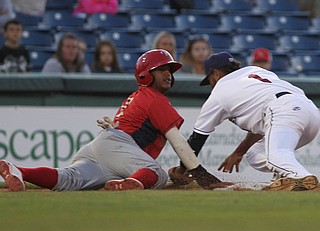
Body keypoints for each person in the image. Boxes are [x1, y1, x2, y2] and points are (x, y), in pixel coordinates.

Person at [0, 49, 220, 192]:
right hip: (119, 146)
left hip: (104, 148)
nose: (168, 73)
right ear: (145, 74)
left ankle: (19, 170)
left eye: (170, 70)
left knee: (67, 179)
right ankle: (130, 184)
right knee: (156, 173)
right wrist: (201, 174)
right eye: (161, 69)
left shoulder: (138, 96)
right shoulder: (154, 98)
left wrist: (180, 172)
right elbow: (178, 142)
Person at [178, 51, 320, 191]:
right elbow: (263, 122)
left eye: (209, 80)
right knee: (255, 154)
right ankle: (286, 178)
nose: (211, 84)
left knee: (275, 155)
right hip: (310, 111)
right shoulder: (256, 71)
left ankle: (301, 177)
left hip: (283, 109)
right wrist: (239, 152)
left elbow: (197, 139)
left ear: (216, 73)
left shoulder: (219, 92)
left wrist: (182, 168)